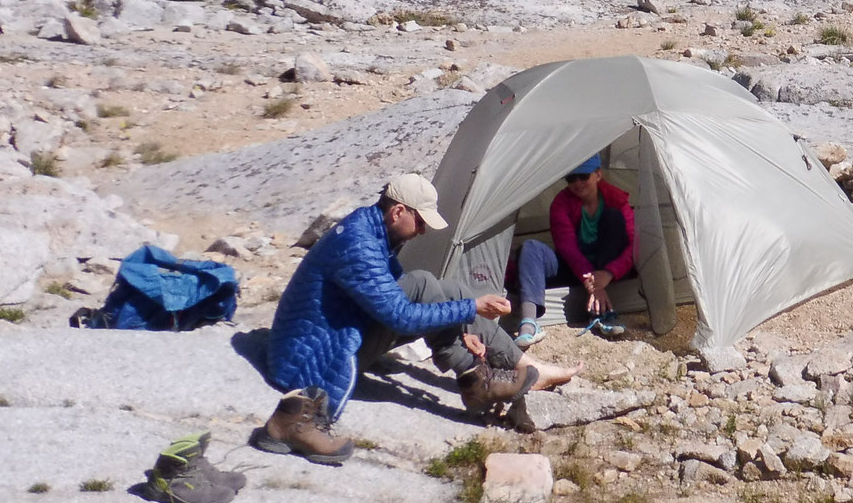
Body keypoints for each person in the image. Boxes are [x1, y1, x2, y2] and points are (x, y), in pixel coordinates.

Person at [257, 173, 575, 463]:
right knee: (426, 285)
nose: (422, 231)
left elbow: (396, 293)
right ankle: (475, 379)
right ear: (399, 212)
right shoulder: (359, 245)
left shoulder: (370, 228)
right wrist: (470, 310)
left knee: (443, 289)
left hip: (330, 334)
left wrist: (461, 327)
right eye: (420, 222)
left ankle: (505, 372)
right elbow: (402, 316)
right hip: (307, 361)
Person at [515, 155, 634, 344]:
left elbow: (632, 247)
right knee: (530, 248)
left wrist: (608, 274)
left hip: (608, 269)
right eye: (571, 178)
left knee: (613, 218)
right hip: (576, 268)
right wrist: (593, 283)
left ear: (598, 175)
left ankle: (601, 313)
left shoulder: (617, 201)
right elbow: (567, 247)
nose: (577, 183)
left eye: (583, 176)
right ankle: (529, 321)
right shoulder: (561, 203)